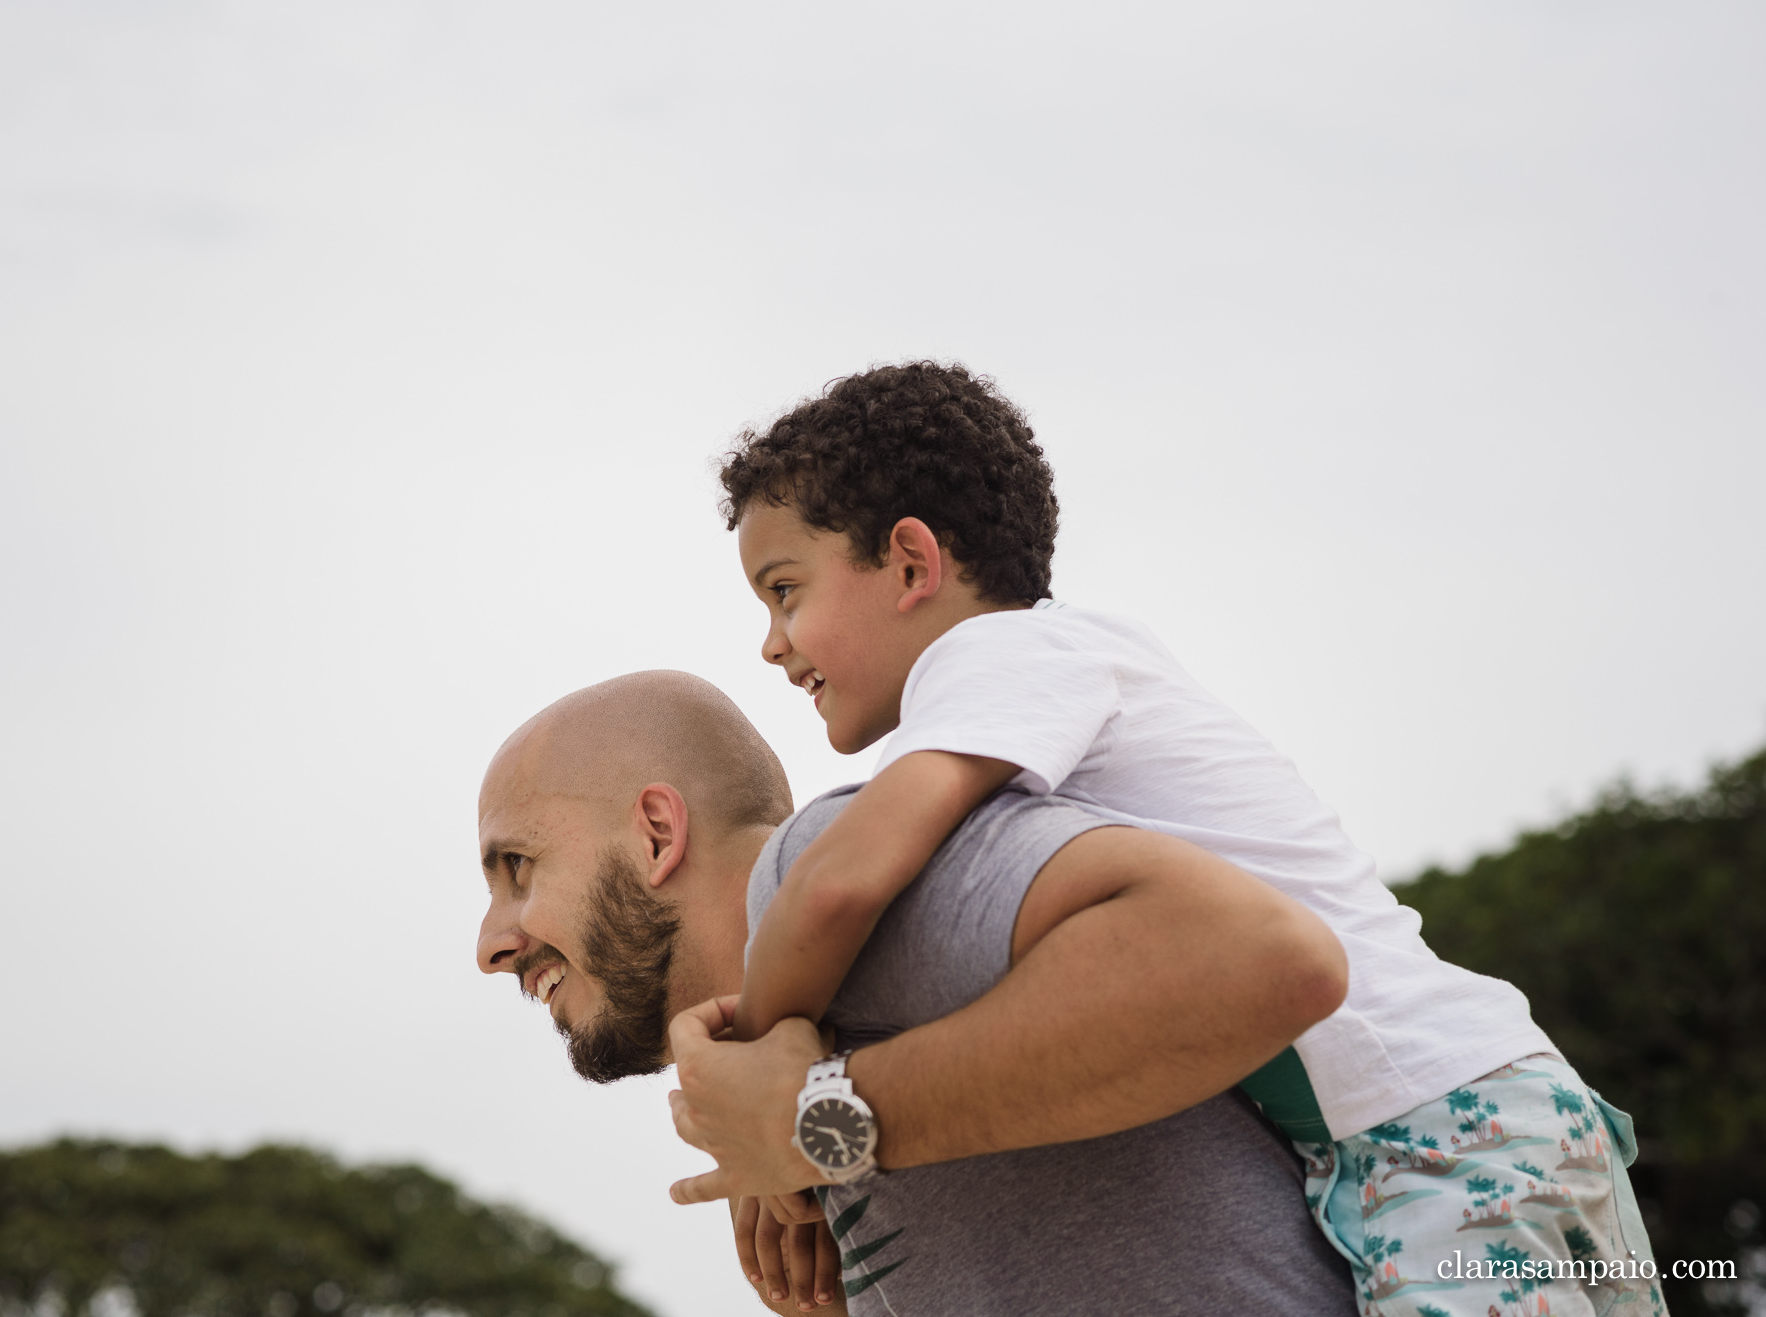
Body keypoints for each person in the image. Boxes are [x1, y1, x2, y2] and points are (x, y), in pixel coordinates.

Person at [702, 361, 1664, 1316]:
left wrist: (758, 1099)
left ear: (913, 564)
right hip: (1479, 1112)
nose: (772, 642)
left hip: (1442, 1132)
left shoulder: (1004, 654)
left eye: (785, 590)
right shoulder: (1063, 667)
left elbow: (837, 883)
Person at [476, 671, 1357, 1314]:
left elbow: (1262, 954)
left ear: (658, 832)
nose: (492, 943)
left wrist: (827, 1122)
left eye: (517, 868)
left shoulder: (820, 865)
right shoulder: (769, 1090)